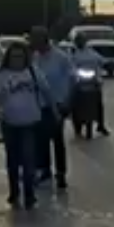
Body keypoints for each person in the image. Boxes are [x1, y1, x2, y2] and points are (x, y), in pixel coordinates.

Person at [0, 39, 56, 210]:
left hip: (30, 122)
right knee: (13, 160)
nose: (17, 60)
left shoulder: (33, 72)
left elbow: (46, 92)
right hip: (10, 123)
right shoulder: (2, 75)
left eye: (20, 57)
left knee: (29, 160)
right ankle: (14, 191)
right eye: (14, 57)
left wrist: (54, 111)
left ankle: (29, 194)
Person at [30, 26, 73, 188]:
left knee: (57, 138)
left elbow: (72, 79)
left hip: (57, 103)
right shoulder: (34, 58)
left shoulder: (61, 57)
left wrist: (67, 101)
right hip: (38, 104)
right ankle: (44, 169)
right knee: (40, 139)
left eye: (36, 38)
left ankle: (61, 173)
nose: (34, 42)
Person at [71, 33, 109, 136]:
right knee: (74, 101)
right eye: (78, 40)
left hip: (93, 80)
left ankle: (101, 125)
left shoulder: (92, 52)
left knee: (99, 102)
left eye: (82, 40)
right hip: (79, 81)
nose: (80, 42)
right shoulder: (74, 54)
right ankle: (76, 122)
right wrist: (73, 74)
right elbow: (70, 66)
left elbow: (101, 60)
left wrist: (106, 63)